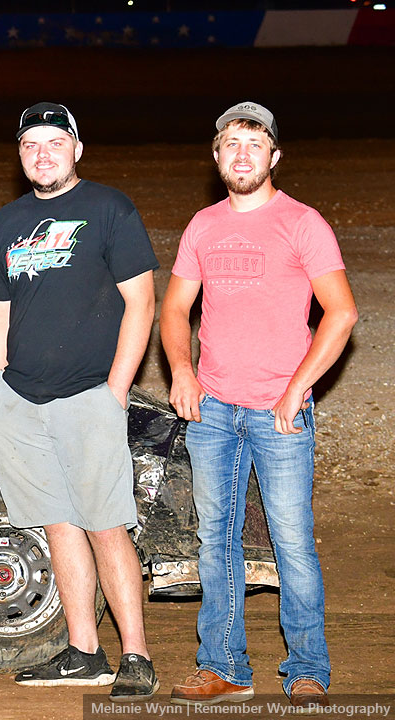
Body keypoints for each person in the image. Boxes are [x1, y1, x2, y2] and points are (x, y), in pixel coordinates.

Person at [161, 102, 356, 709]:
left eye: (254, 142)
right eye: (230, 143)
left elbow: (342, 312)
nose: (241, 153)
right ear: (216, 157)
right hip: (214, 409)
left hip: (280, 412)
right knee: (213, 539)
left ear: (274, 156)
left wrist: (298, 388)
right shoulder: (203, 225)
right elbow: (173, 311)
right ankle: (224, 665)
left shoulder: (302, 223)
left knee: (291, 541)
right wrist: (183, 371)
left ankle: (307, 668)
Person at [0, 102, 159, 700]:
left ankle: (136, 654)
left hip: (89, 396)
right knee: (58, 525)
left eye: (55, 142)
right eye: (30, 144)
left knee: (107, 525)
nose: (42, 153)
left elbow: (142, 302)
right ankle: (84, 648)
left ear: (77, 148)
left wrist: (115, 390)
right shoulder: (8, 221)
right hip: (21, 400)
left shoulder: (109, 208)